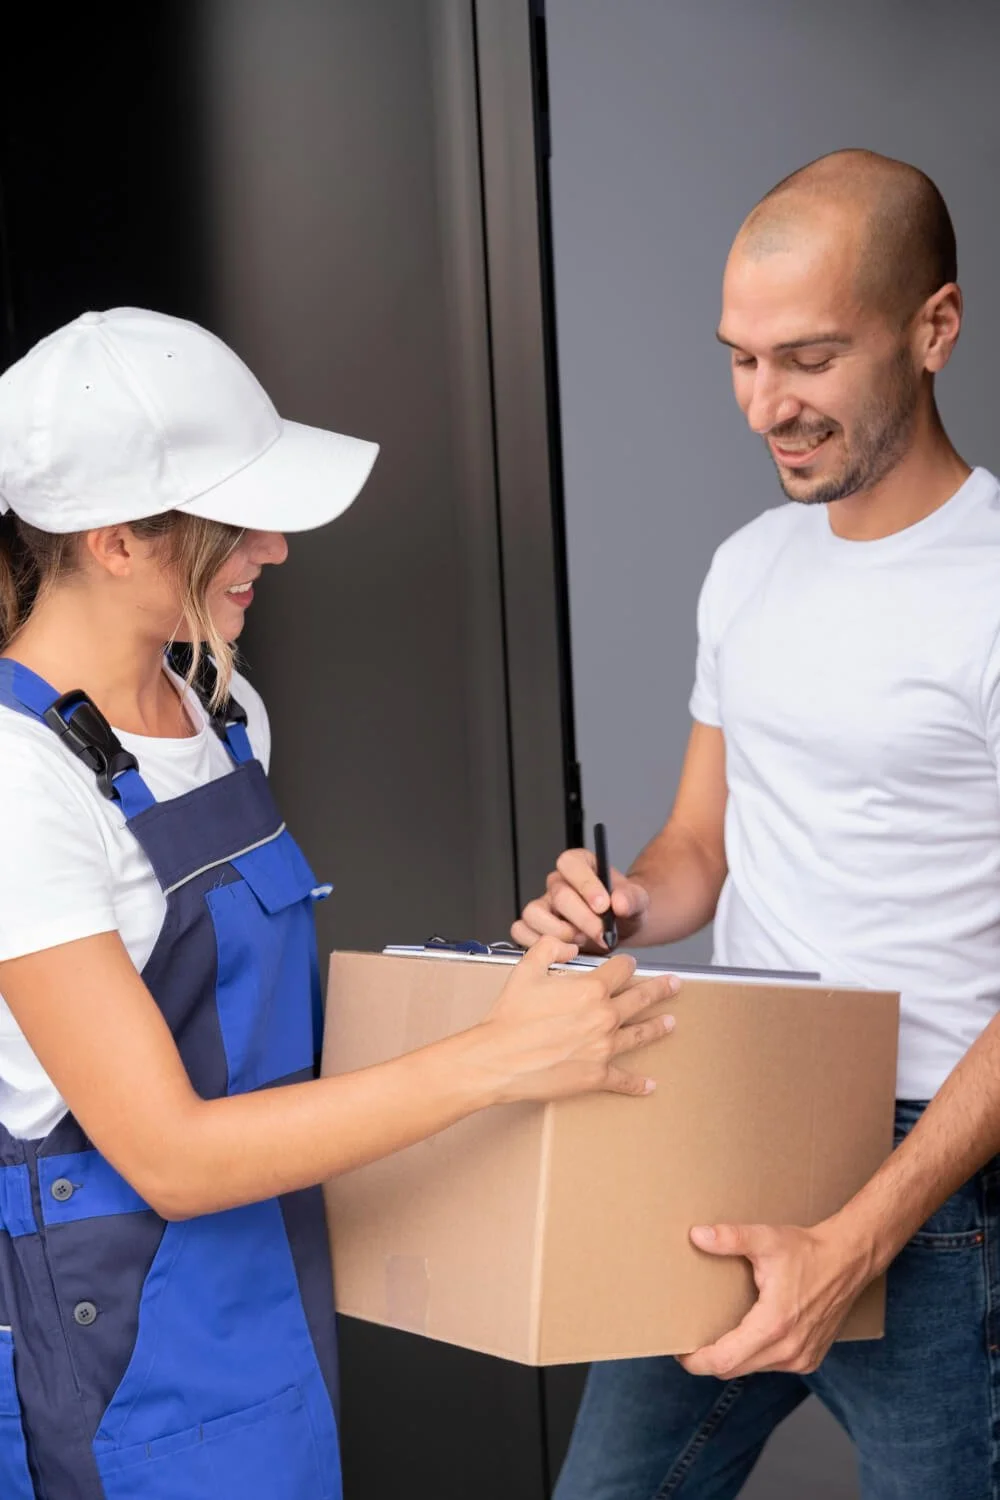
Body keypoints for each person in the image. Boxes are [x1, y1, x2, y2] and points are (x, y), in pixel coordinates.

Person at [0, 307, 677, 1500]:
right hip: (125, 1346)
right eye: (236, 516)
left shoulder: (223, 709)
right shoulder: (21, 782)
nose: (275, 544)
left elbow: (261, 1046)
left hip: (269, 1292)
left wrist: (511, 986)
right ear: (113, 541)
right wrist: (498, 1061)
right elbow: (169, 1155)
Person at [516, 149, 1000, 1500]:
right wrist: (615, 905)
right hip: (736, 1114)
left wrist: (860, 1237)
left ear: (935, 329)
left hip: (939, 1181)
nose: (764, 407)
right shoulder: (748, 567)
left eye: (808, 359)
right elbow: (697, 852)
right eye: (739, 360)